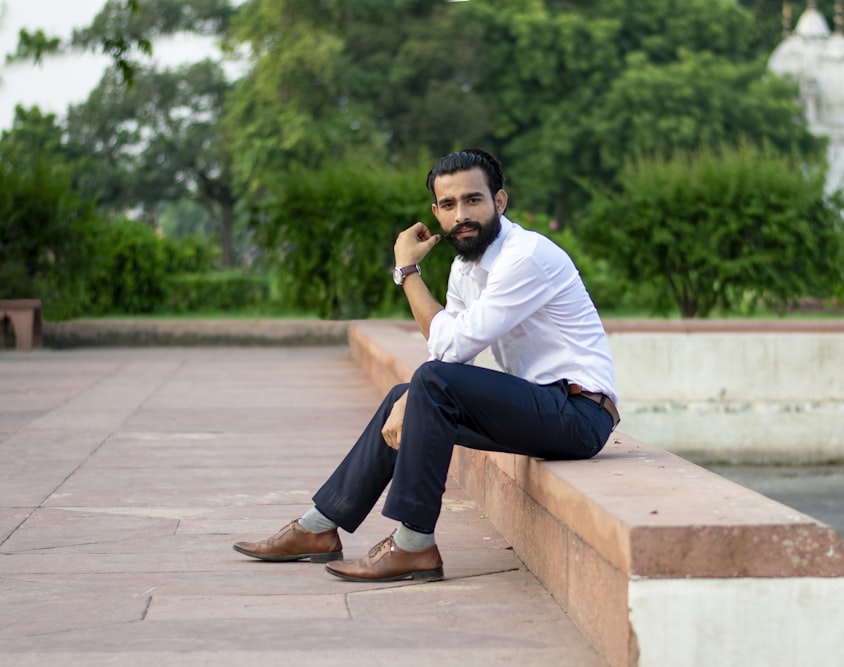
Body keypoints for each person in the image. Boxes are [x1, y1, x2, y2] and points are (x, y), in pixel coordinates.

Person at [233, 148, 618, 583]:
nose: (462, 215)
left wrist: (407, 270)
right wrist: (414, 394)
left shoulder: (524, 256)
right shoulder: (464, 268)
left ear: (500, 201)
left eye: (474, 200)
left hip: (579, 415)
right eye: (449, 205)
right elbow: (449, 357)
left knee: (426, 384)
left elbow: (450, 349)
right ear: (436, 212)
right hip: (544, 408)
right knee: (409, 391)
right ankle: (320, 526)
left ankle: (414, 544)